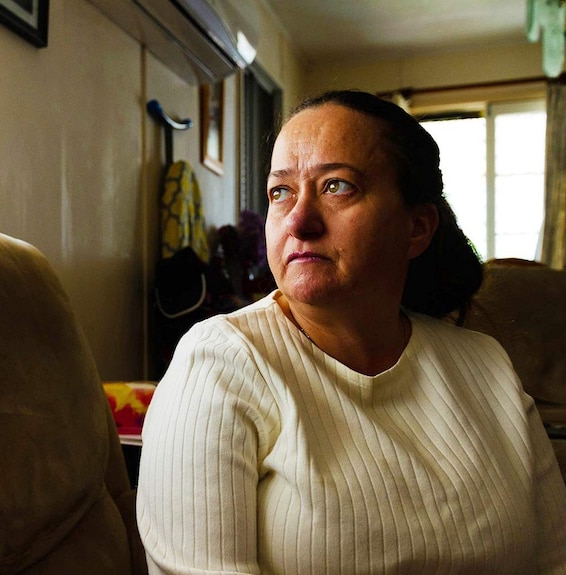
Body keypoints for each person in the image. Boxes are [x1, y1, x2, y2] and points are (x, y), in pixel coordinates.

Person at [136, 90, 566, 574]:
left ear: (418, 227)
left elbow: (553, 559)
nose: (298, 221)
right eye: (281, 192)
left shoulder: (486, 365)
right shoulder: (219, 365)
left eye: (337, 186)